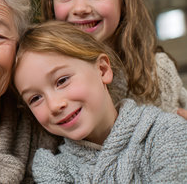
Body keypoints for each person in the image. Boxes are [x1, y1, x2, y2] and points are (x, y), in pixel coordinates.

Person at [13, 21, 187, 183]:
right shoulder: (51, 170)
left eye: (62, 81)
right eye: (35, 98)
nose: (54, 105)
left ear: (103, 70)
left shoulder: (166, 131)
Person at [39, 0, 187, 118]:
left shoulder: (155, 71)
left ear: (123, 1)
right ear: (51, 4)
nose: (80, 8)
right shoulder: (43, 77)